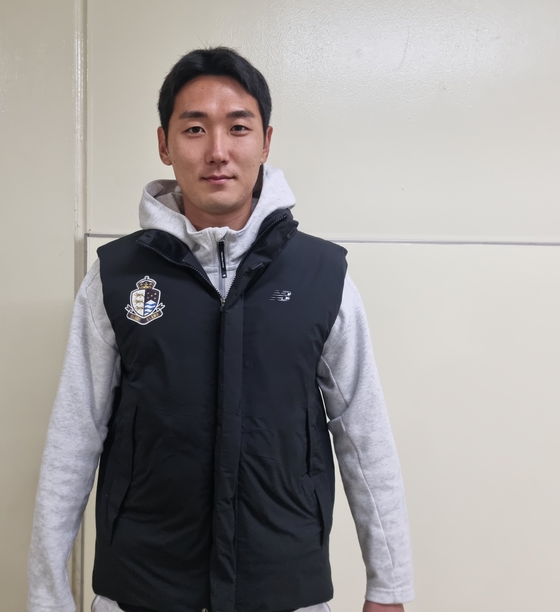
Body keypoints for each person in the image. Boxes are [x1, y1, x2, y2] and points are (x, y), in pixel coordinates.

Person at [28, 47, 414, 612]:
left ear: (265, 141)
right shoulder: (116, 277)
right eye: (194, 128)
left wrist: (390, 586)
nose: (217, 151)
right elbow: (74, 435)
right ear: (164, 144)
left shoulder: (321, 276)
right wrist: (47, 594)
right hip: (142, 588)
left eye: (238, 127)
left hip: (284, 587)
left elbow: (364, 433)